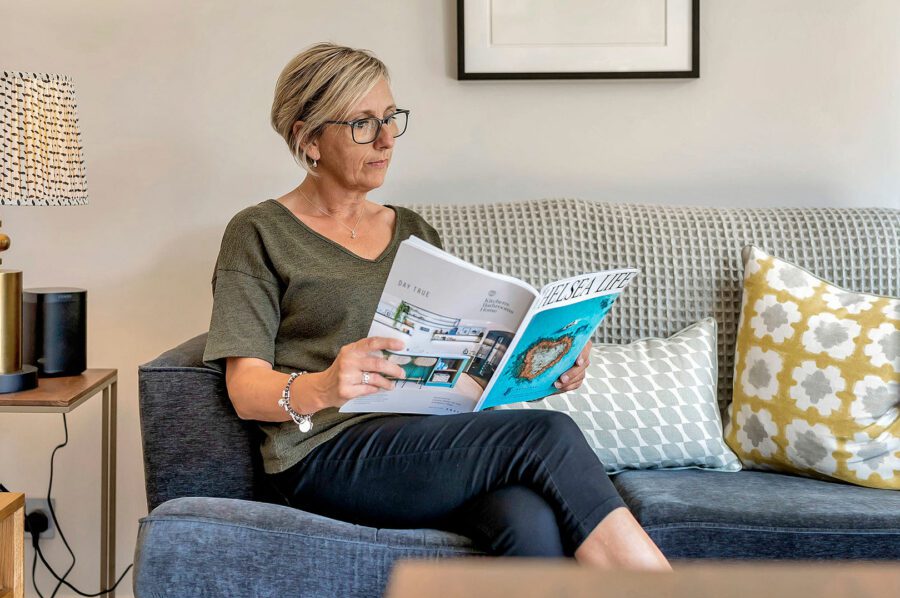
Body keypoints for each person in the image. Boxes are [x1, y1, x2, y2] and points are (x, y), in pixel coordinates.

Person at [203, 42, 671, 569]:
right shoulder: (258, 232)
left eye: (389, 118)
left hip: (427, 440)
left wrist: (541, 362)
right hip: (324, 453)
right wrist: (325, 384)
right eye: (362, 123)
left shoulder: (414, 233)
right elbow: (245, 390)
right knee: (549, 433)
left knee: (527, 516)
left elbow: (459, 362)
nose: (385, 139)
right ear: (308, 137)